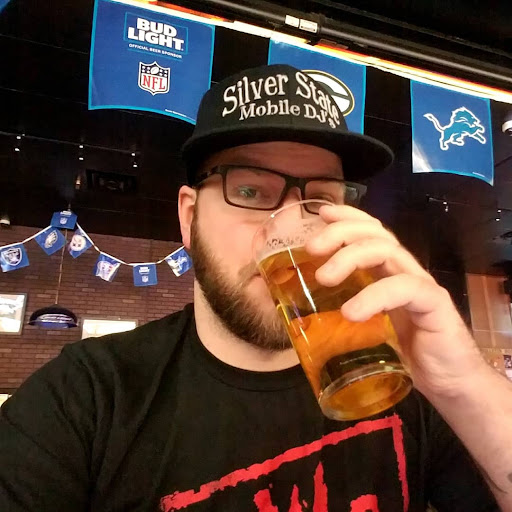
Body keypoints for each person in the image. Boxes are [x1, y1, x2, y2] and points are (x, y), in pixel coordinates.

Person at [1, 64, 510, 512]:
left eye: (318, 200)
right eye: (249, 190)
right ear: (190, 217)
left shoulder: (404, 380)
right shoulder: (87, 398)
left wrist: (464, 383)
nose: (288, 231)